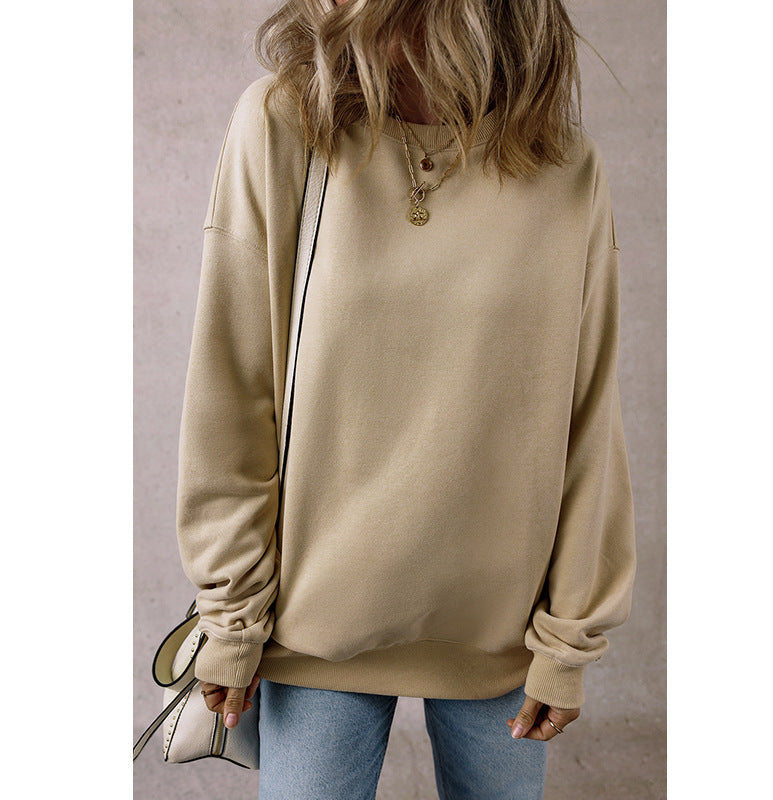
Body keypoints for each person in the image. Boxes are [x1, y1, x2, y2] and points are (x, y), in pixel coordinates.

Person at [175, 1, 636, 797]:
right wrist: (231, 618)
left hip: (505, 641)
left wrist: (569, 642)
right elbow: (233, 390)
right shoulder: (283, 127)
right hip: (314, 634)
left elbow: (588, 416)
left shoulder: (564, 166)